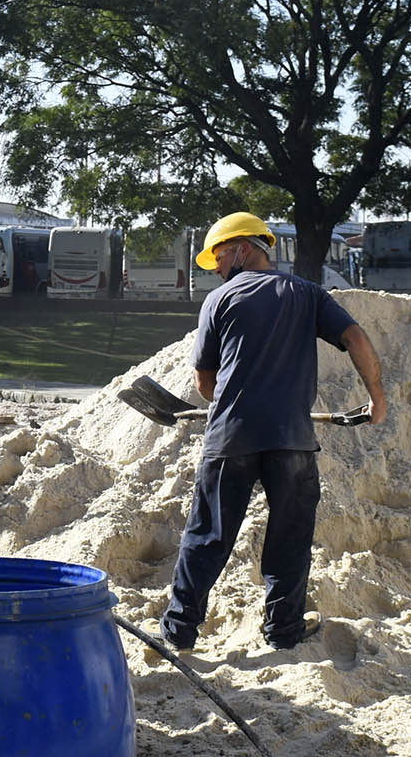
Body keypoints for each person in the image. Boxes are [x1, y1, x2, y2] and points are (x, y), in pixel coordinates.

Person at [161, 211, 386, 653]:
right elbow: (356, 338)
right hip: (293, 442)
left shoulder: (220, 301)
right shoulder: (307, 294)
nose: (220, 271)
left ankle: (178, 633)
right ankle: (283, 632)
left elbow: (204, 382)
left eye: (221, 259)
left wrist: (231, 400)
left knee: (207, 536)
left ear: (244, 249)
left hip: (230, 438)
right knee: (290, 539)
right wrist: (377, 397)